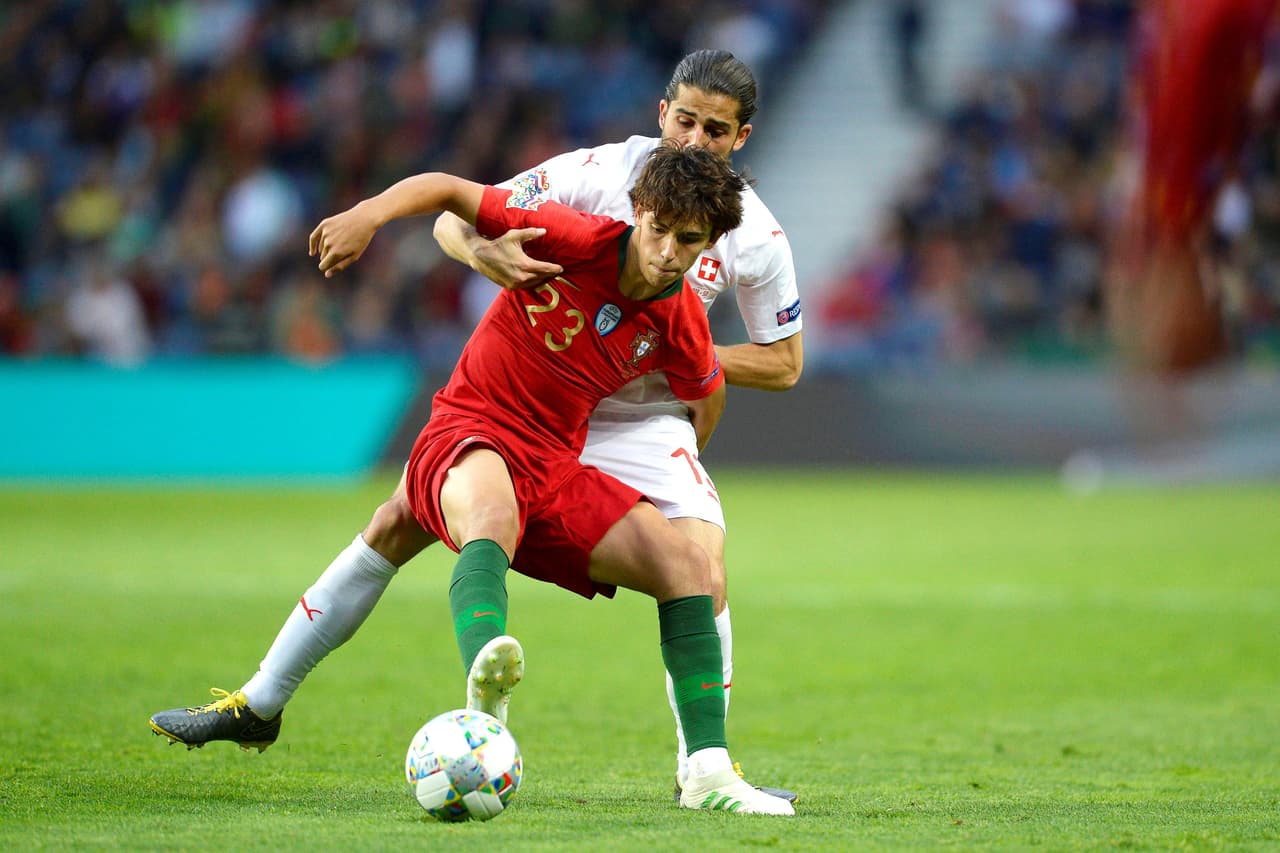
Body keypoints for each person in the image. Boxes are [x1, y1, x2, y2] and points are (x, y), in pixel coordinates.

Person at [148, 142, 795, 816]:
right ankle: (485, 677)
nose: (666, 251)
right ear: (638, 211)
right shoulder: (572, 237)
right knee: (485, 515)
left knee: (687, 567)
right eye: (658, 229)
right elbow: (447, 190)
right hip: (470, 424)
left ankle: (707, 772)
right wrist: (369, 216)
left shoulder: (681, 319)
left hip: (553, 462)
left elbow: (707, 393)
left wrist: (686, 451)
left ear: (710, 242)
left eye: (687, 239)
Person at [432, 49, 802, 802]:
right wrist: (480, 255)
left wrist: (681, 353)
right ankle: (266, 694)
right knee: (396, 526)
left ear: (742, 138)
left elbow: (785, 363)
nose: (696, 140)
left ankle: (705, 769)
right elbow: (453, 214)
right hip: (544, 398)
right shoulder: (597, 173)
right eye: (686, 120)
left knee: (703, 569)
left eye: (716, 130)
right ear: (663, 112)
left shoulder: (756, 234)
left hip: (650, 417)